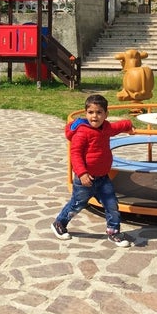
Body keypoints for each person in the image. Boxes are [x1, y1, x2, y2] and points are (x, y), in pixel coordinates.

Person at [51, 94, 135, 247]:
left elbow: (118, 126)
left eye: (99, 112)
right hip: (85, 180)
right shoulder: (82, 132)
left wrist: (129, 125)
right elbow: (75, 154)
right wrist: (82, 173)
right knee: (76, 204)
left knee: (112, 205)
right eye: (91, 112)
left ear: (106, 114)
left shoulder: (107, 127)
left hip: (103, 178)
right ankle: (59, 223)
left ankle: (113, 231)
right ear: (86, 113)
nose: (94, 116)